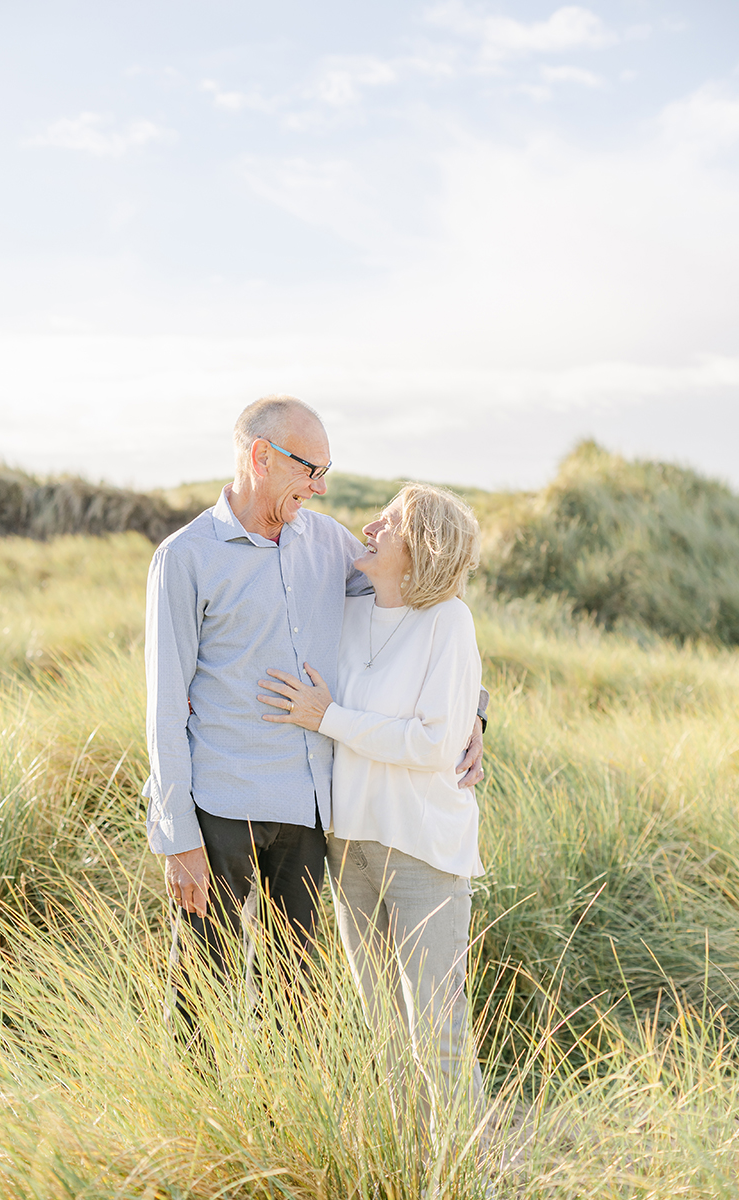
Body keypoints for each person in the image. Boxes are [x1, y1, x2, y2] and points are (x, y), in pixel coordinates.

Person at [143, 396, 486, 997]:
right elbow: (164, 709)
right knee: (203, 996)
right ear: (261, 456)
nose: (320, 489)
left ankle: (283, 1098)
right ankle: (199, 1097)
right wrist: (177, 838)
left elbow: (415, 598)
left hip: (309, 813)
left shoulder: (328, 543)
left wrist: (472, 709)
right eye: (311, 470)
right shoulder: (185, 558)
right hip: (221, 806)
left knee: (295, 1000)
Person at [257, 482, 487, 1134]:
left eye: (388, 522)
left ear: (419, 550)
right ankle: (406, 1168)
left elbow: (432, 743)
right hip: (349, 846)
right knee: (384, 1032)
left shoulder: (449, 622)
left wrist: (330, 717)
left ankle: (468, 1177)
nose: (370, 526)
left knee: (436, 1031)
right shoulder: (350, 613)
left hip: (422, 854)